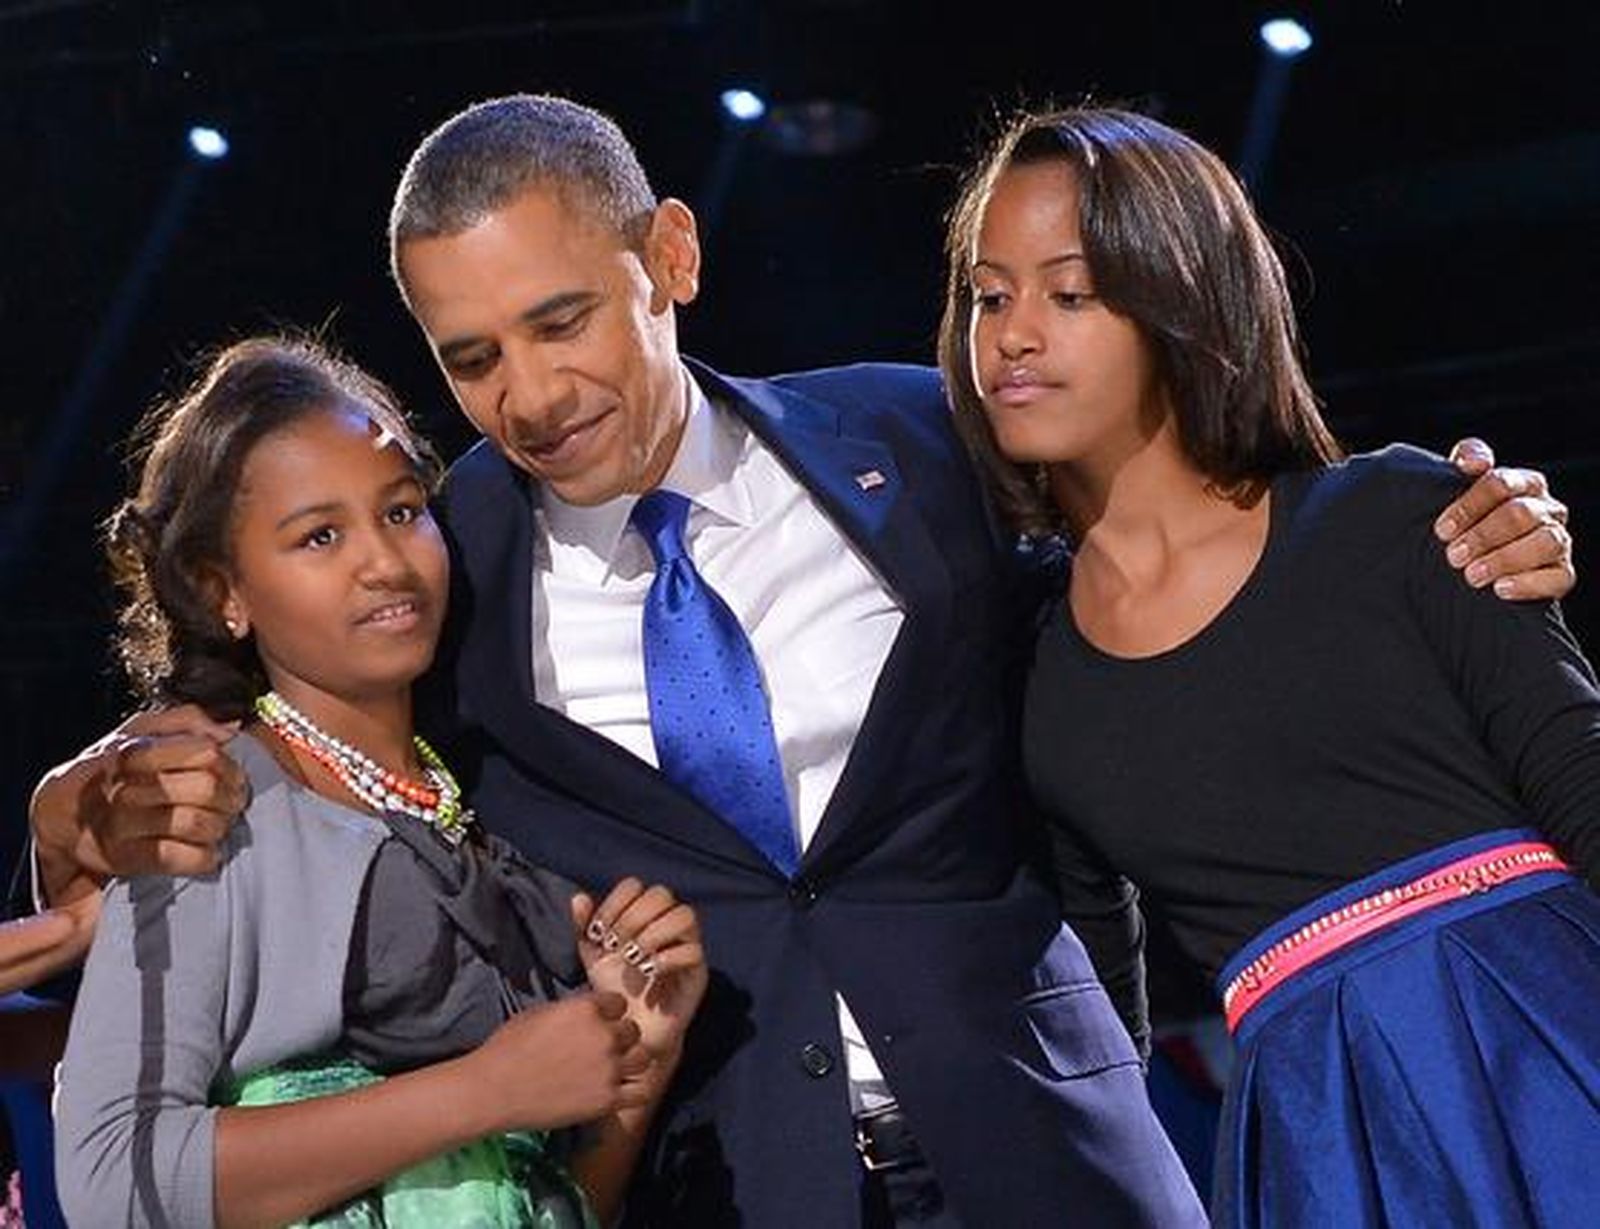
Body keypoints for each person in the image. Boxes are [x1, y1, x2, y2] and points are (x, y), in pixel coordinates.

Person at [28, 95, 1577, 1227]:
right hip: (730, 1187)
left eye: (563, 318)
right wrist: (71, 804)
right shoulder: (442, 564)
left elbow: (1171, 576)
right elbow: (271, 689)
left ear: (670, 259)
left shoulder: (924, 433)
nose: (531, 393)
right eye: (471, 355)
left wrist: (1469, 523)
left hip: (1056, 1160)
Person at [939, 105, 1600, 1227]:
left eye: (1070, 292)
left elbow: (1584, 782)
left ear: (1180, 299)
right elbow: (1098, 1033)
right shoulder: (1028, 678)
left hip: (1550, 1041)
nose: (1012, 335)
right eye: (989, 295)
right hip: (1317, 1130)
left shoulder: (1405, 515)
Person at [52, 335, 708, 1228]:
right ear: (223, 593)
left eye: (402, 512)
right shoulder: (201, 809)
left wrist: (641, 1052)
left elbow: (542, 1203)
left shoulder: (481, 809)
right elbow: (109, 1180)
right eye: (320, 535)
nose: (384, 562)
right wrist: (485, 1089)